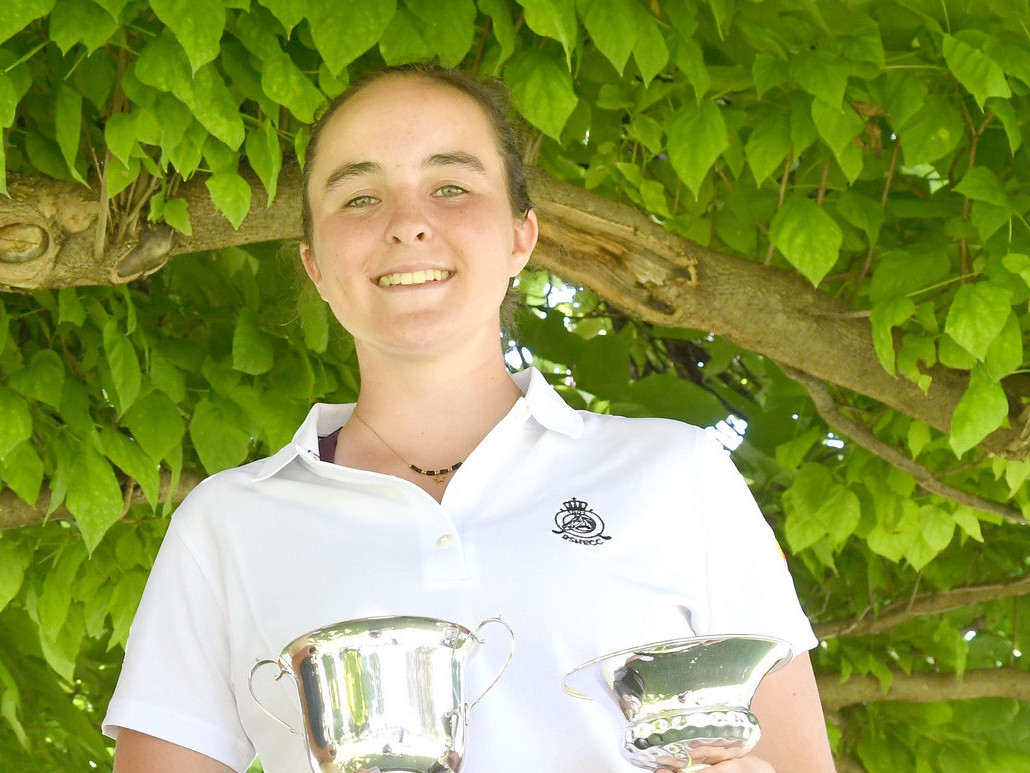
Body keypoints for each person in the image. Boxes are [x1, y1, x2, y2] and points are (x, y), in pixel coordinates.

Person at [104, 63, 837, 773]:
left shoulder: (677, 473)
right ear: (315, 264)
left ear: (521, 236)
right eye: (359, 197)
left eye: (450, 187)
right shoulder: (227, 525)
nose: (407, 224)